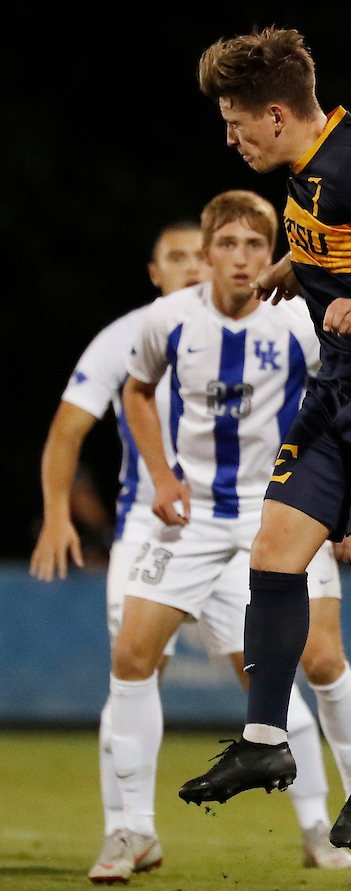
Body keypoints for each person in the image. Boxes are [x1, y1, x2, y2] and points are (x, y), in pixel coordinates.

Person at [179, 28, 351, 853]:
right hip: (336, 387)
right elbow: (343, 240)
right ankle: (265, 745)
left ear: (274, 113)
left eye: (235, 122)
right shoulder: (306, 171)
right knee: (273, 551)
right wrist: (300, 267)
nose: (231, 139)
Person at [119, 190, 351, 885]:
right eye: (228, 246)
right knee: (132, 655)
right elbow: (137, 392)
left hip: (283, 511)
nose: (242, 259)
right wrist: (161, 477)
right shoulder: (168, 320)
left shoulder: (299, 321)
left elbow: (345, 404)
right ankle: (130, 830)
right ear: (206, 254)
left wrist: (344, 504)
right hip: (199, 515)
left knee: (324, 659)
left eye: (256, 247)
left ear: (274, 257)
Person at [29, 221, 210, 882]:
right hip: (151, 529)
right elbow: (66, 430)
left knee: (294, 665)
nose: (194, 267)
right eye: (177, 257)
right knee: (134, 672)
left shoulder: (262, 328)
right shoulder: (127, 336)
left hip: (242, 527)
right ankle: (128, 829)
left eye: (202, 254)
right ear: (154, 272)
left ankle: (319, 826)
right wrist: (56, 516)